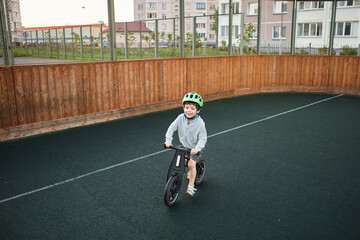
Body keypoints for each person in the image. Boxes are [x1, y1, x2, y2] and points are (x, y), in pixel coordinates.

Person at [164, 92, 207, 196]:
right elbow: (171, 128)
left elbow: (203, 138)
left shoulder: (200, 123)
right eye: (187, 107)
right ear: (183, 108)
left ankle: (191, 185)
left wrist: (197, 149)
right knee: (184, 160)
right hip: (186, 145)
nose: (189, 110)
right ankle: (191, 170)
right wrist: (168, 141)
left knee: (191, 164)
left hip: (196, 147)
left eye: (192, 108)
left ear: (198, 110)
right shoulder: (180, 118)